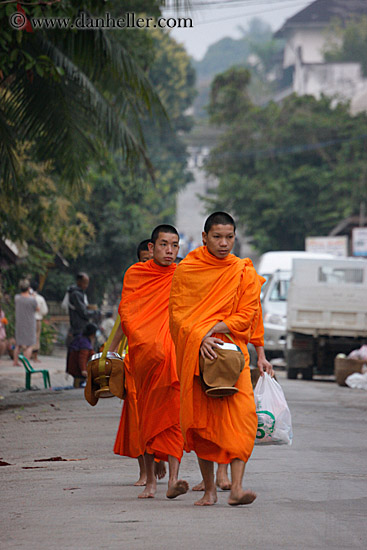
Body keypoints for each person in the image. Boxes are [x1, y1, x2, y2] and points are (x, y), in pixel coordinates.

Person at [169, 211, 271, 507]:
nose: (224, 243)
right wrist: (200, 337)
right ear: (204, 237)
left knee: (243, 418)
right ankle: (210, 490)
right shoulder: (188, 269)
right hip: (201, 356)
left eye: (229, 237)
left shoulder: (243, 271)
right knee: (203, 423)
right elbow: (177, 316)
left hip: (233, 358)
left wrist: (213, 328)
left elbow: (248, 315)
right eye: (217, 237)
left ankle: (236, 488)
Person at [112, 225, 188, 500]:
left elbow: (190, 312)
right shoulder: (136, 274)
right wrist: (145, 339)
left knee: (174, 416)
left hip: (173, 356)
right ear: (152, 248)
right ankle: (150, 484)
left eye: (175, 245)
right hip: (143, 356)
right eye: (164, 245)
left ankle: (174, 480)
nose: (169, 250)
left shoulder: (183, 274)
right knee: (145, 415)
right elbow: (128, 313)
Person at [113, 238, 166, 486]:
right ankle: (144, 472)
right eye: (145, 260)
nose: (150, 265)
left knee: (165, 413)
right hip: (137, 358)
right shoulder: (134, 282)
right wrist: (109, 355)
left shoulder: (172, 278)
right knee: (138, 414)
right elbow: (123, 323)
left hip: (165, 354)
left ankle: (161, 457)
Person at [13, 279, 38, 366]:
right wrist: (33, 296)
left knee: (18, 344)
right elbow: (37, 309)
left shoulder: (17, 298)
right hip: (30, 324)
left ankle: (15, 361)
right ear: (28, 288)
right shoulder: (32, 300)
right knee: (30, 345)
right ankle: (26, 362)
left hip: (19, 323)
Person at [64, 272, 93, 343]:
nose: (86, 285)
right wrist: (94, 313)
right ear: (79, 282)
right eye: (85, 283)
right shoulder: (75, 294)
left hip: (79, 326)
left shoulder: (80, 293)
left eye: (87, 283)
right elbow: (83, 311)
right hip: (78, 326)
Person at [66, 323, 97, 388]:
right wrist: (83, 370)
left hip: (75, 366)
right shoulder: (84, 342)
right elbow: (82, 357)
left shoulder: (81, 338)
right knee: (78, 383)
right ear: (92, 334)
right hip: (77, 368)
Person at [30, 280, 48, 362]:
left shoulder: (26, 297)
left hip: (27, 319)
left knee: (27, 336)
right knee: (36, 337)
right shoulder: (40, 298)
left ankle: (26, 355)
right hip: (37, 319)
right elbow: (44, 311)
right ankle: (35, 357)